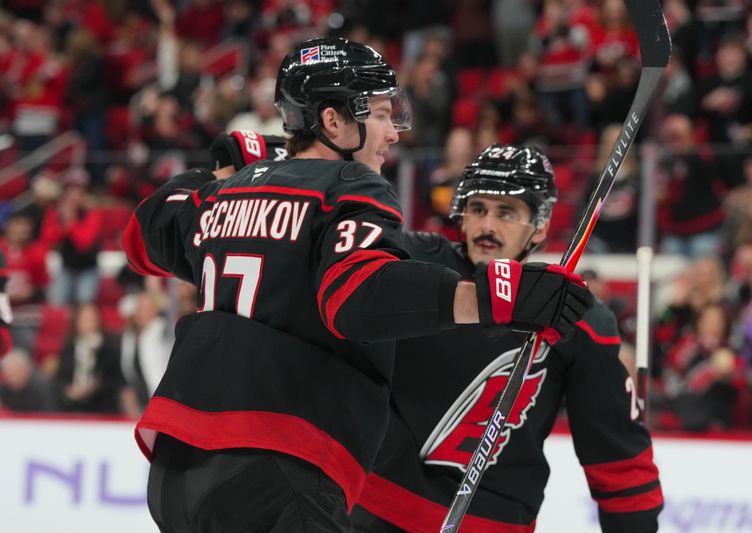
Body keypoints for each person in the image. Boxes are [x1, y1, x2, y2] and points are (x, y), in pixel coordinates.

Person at [121, 38, 594, 533]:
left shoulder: (229, 191)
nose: (393, 133)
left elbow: (141, 238)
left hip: (176, 467)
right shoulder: (349, 184)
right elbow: (355, 297)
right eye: (382, 115)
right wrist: (494, 295)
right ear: (333, 121)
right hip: (278, 464)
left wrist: (214, 176)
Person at [350, 144, 664, 532]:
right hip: (369, 509)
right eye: (478, 209)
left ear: (541, 227)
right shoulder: (409, 265)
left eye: (507, 213)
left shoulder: (574, 317)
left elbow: (618, 459)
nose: (487, 227)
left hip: (490, 522)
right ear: (461, 217)